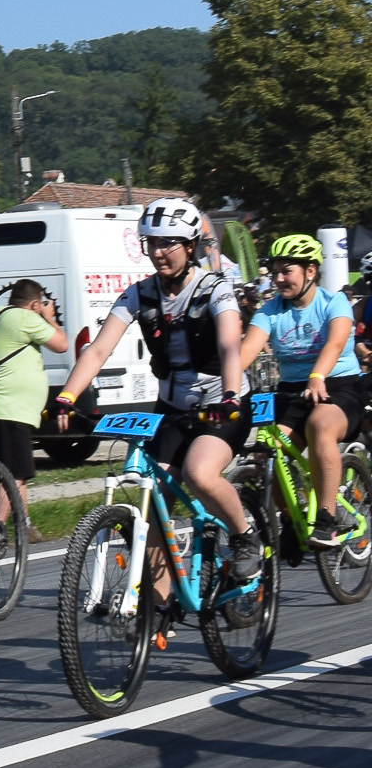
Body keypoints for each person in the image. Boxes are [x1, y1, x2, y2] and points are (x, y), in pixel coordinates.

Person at [54, 196, 262, 609]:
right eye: (151, 243)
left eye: (169, 243)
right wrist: (66, 396)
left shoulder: (215, 289)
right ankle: (159, 607)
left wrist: (231, 395)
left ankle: (244, 537)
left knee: (200, 473)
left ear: (190, 246)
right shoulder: (139, 294)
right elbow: (98, 350)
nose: (159, 252)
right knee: (153, 503)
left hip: (222, 404)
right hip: (173, 408)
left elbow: (229, 346)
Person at [239, 234, 363, 543]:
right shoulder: (270, 310)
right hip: (292, 390)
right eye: (275, 272)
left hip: (338, 385)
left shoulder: (334, 302)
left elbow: (336, 343)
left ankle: (327, 516)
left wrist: (317, 375)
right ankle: (290, 519)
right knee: (266, 453)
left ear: (310, 271)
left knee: (319, 424)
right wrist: (223, 385)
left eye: (287, 271)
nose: (279, 279)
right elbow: (247, 350)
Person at [0, 279, 67, 515]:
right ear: (35, 304)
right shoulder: (23, 318)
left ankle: (24, 526)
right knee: (12, 474)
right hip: (10, 409)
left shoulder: (0, 315)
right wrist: (49, 317)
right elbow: (62, 344)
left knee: (18, 473)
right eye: (41, 304)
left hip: (5, 409)